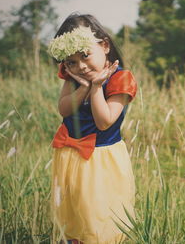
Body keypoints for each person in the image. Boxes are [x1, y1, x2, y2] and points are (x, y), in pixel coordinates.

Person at [48, 13, 137, 244]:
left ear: (105, 46)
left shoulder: (120, 79)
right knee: (73, 215)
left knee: (97, 217)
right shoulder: (74, 77)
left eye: (85, 55)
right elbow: (64, 109)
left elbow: (105, 121)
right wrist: (83, 88)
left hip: (100, 159)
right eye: (71, 61)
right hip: (69, 155)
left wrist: (96, 88)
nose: (81, 66)